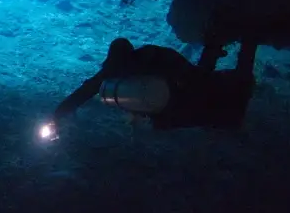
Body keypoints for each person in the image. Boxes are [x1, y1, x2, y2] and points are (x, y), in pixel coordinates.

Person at [47, 17, 258, 133]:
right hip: (180, 99)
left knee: (222, 103)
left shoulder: (115, 69)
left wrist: (58, 113)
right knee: (227, 95)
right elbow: (197, 75)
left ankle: (240, 41)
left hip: (175, 104)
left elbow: (86, 90)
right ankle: (246, 37)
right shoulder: (152, 55)